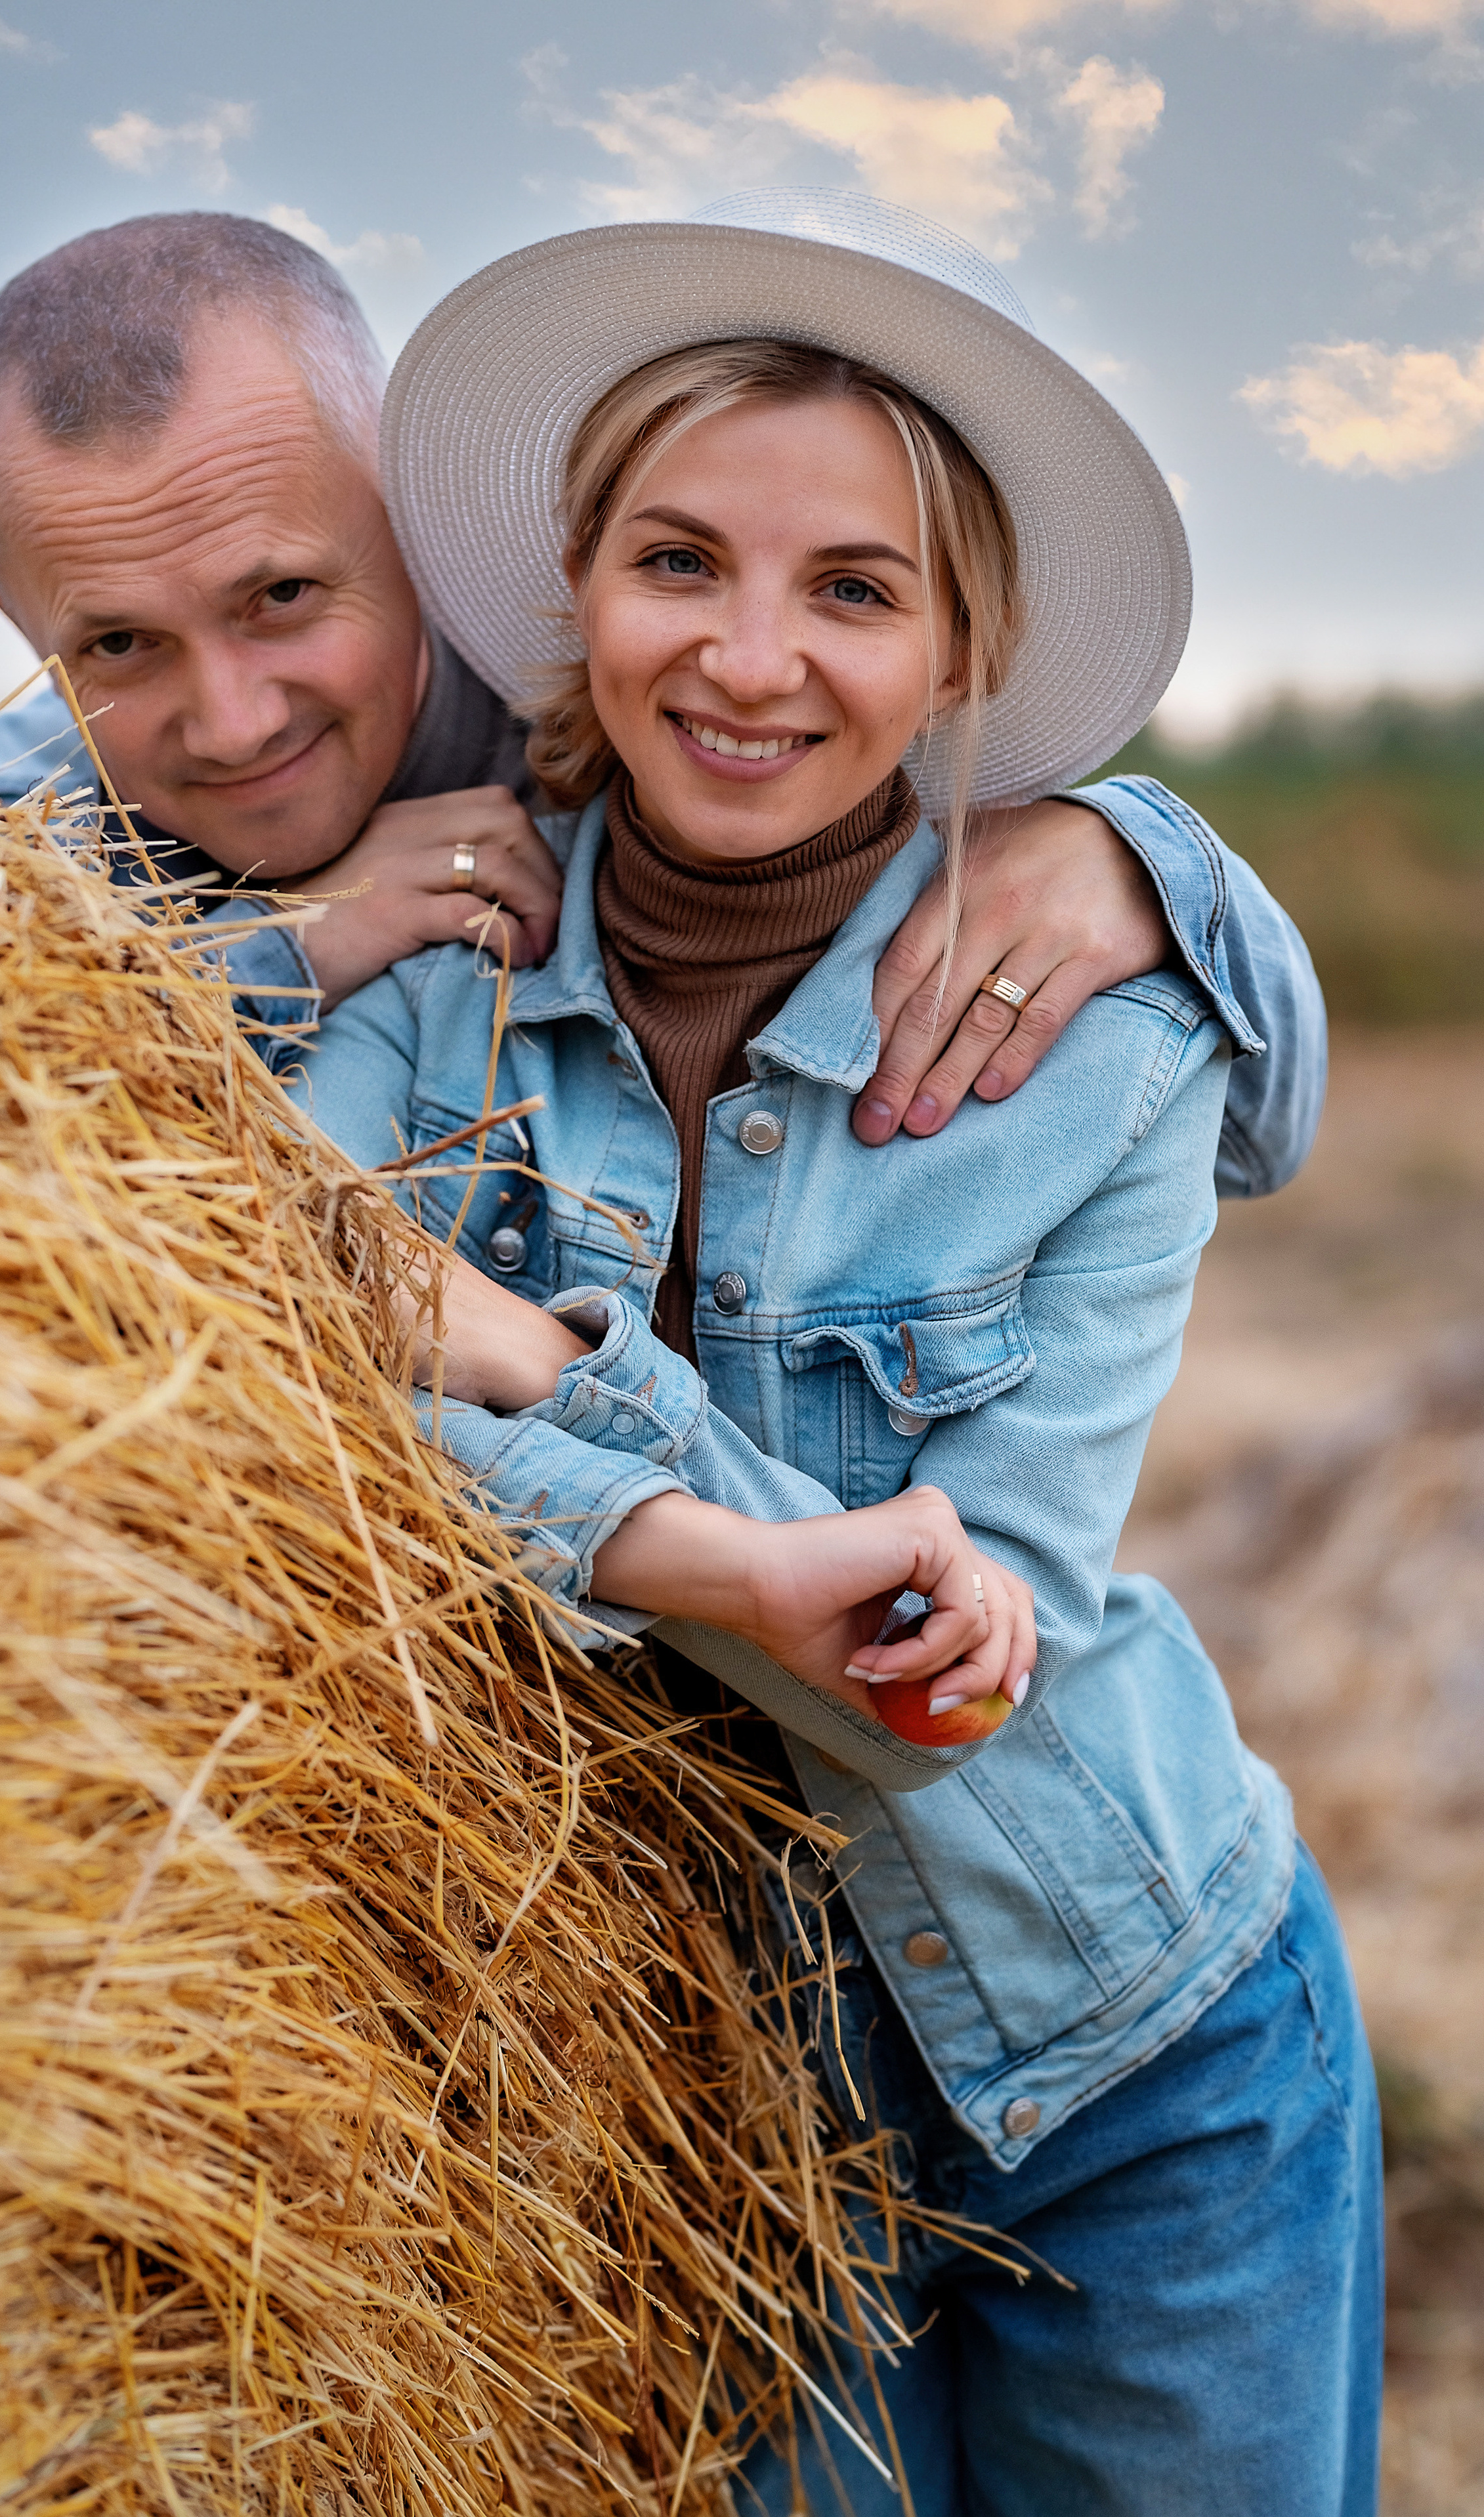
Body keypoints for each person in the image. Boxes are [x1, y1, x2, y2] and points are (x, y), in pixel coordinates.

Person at [285, 192, 1381, 2514]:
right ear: (578, 584)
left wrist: (512, 1358)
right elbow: (289, 1401)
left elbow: (954, 1647)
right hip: (704, 2098)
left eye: (855, 588)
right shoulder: (427, 957)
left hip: (1140, 2048)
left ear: (960, 643)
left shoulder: (1109, 1033)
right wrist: (683, 1533)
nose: (750, 660)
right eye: (680, 561)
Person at [0, 211, 1324, 1185]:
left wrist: (1140, 862)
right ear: (15, 611)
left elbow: (1260, 1139)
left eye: (282, 598)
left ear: (401, 499)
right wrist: (279, 951)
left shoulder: (643, 708)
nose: (237, 718)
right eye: (120, 645)